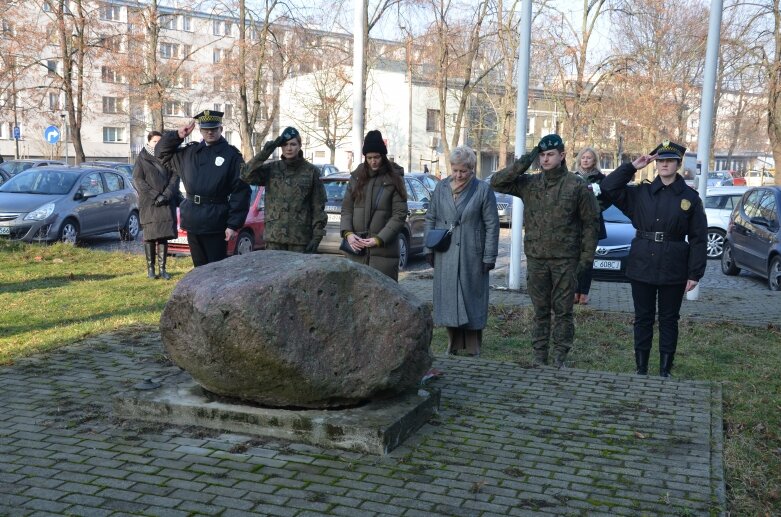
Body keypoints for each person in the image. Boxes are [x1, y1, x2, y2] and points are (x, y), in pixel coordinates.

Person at [490, 134, 599, 368]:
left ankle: (560, 358)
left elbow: (591, 224)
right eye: (542, 155)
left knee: (563, 312)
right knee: (540, 311)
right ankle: (539, 357)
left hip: (565, 260)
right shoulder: (530, 184)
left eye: (550, 155)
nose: (545, 159)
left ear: (562, 155)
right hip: (537, 258)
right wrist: (527, 158)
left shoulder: (576, 185)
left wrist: (586, 260)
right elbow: (497, 182)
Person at [600, 140, 707, 377]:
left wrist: (695, 273)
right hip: (643, 262)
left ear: (678, 164)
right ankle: (641, 368)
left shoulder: (690, 198)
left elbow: (699, 238)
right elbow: (607, 187)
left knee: (669, 319)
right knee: (643, 318)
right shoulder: (641, 193)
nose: (664, 165)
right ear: (655, 163)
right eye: (660, 160)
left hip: (674, 265)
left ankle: (665, 370)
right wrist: (632, 167)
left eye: (669, 161)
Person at [424, 145, 499, 356]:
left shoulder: (483, 190)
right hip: (445, 252)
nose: (458, 175)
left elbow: (492, 225)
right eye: (455, 170)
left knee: (472, 297)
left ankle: (474, 346)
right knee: (448, 298)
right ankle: (452, 343)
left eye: (463, 171)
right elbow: (431, 217)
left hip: (472, 254)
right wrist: (428, 248)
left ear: (472, 169)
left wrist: (489, 256)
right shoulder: (441, 188)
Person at [155, 110, 250, 267]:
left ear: (221, 129)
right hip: (193, 219)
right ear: (200, 130)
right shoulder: (190, 152)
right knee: (199, 268)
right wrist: (177, 136)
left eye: (214, 128)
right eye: (206, 129)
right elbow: (160, 153)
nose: (210, 132)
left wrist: (233, 224)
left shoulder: (232, 156)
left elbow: (241, 191)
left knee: (215, 270)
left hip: (216, 221)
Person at [240, 127, 327, 252]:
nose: (289, 148)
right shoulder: (272, 168)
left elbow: (318, 206)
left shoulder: (311, 171)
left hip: (300, 239)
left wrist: (317, 235)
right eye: (285, 145)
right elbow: (245, 175)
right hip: (274, 238)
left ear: (300, 146)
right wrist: (265, 153)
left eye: (293, 144)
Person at [340, 130, 408, 280]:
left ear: (383, 156)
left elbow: (399, 215)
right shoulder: (356, 177)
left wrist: (379, 239)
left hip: (383, 253)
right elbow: (346, 209)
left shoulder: (395, 178)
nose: (373, 161)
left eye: (376, 157)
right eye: (369, 157)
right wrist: (348, 234)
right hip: (357, 251)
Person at [132, 130, 179, 279]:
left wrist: (166, 195)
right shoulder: (142, 158)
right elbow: (138, 180)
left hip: (166, 202)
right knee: (150, 237)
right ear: (148, 142)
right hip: (149, 203)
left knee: (163, 236)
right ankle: (151, 270)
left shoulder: (169, 157)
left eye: (160, 142)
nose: (157, 144)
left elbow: (175, 177)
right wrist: (155, 195)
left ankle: (163, 270)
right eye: (154, 141)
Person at [573, 146, 609, 305]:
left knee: (587, 260)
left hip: (592, 225)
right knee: (574, 260)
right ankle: (574, 291)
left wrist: (594, 209)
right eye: (583, 157)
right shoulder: (571, 177)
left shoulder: (601, 179)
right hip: (573, 226)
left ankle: (584, 293)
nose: (585, 160)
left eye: (589, 157)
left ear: (594, 160)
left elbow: (608, 199)